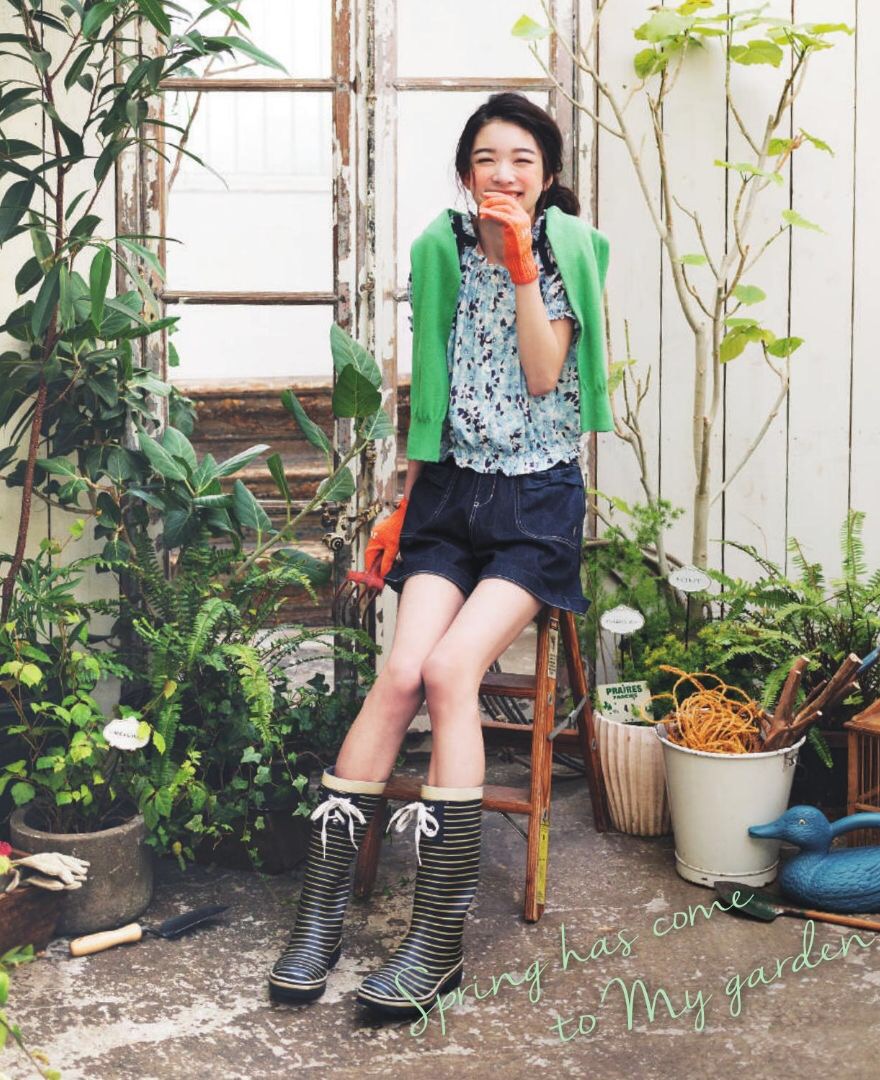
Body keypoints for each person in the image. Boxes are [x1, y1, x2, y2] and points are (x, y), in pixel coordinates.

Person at [267, 92, 613, 1019]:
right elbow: (432, 392)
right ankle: (319, 917)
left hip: (536, 505)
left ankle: (436, 944)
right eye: (488, 158)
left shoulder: (571, 251)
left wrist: (523, 266)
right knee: (401, 675)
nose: (505, 173)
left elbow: (543, 375)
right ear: (467, 173)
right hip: (450, 498)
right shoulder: (440, 248)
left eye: (524, 160)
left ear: (546, 177)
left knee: (453, 670)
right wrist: (400, 503)